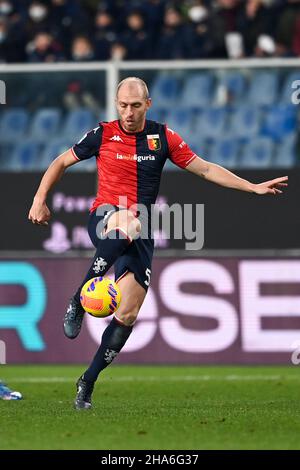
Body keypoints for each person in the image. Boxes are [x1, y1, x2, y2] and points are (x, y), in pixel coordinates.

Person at [28, 76, 288, 410]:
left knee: (129, 312)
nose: (129, 112)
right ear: (116, 104)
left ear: (147, 105)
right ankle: (78, 300)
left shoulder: (162, 137)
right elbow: (61, 161)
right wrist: (39, 199)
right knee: (129, 222)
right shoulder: (102, 134)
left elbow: (206, 169)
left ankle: (87, 382)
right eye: (123, 105)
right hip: (106, 216)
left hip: (141, 230)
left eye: (136, 105)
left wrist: (251, 187)